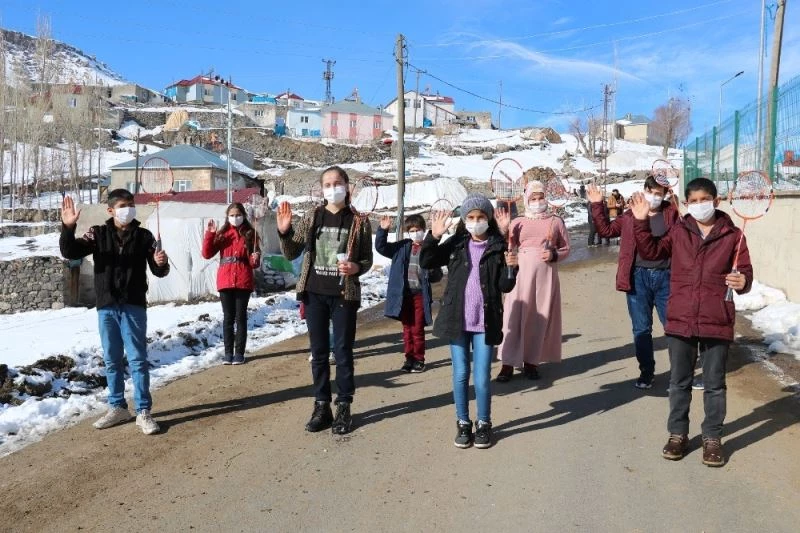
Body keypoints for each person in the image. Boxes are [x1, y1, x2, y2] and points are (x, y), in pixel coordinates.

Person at [630, 177, 752, 467]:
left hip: (716, 318)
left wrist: (742, 280)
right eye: (693, 201)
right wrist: (640, 223)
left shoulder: (734, 236)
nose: (699, 206)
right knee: (679, 382)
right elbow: (652, 252)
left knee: (714, 384)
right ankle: (677, 434)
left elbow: (744, 270)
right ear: (686, 204)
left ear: (716, 201)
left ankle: (712, 437)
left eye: (704, 200)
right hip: (681, 317)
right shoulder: (678, 231)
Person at [59, 190, 170, 435]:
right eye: (122, 205)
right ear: (110, 210)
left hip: (133, 305)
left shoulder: (144, 236)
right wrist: (68, 227)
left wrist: (162, 263)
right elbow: (70, 252)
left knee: (137, 360)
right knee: (111, 360)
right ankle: (118, 406)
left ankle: (143, 411)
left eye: (131, 205)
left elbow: (158, 269)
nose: (128, 209)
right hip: (107, 305)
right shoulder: (98, 234)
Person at [277, 166, 373, 435]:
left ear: (347, 187)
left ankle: (344, 405)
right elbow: (291, 252)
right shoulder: (312, 216)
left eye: (338, 183)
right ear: (322, 189)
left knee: (342, 352)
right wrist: (284, 232)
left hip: (344, 295)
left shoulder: (359, 221)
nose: (333, 188)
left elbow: (366, 259)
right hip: (315, 293)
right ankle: (322, 406)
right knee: (318, 354)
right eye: (328, 184)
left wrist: (355, 268)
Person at [419, 193, 517, 449]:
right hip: (457, 320)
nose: (475, 222)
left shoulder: (497, 246)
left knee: (482, 376)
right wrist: (435, 235)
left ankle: (484, 423)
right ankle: (463, 423)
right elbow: (427, 261)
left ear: (488, 219)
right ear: (464, 220)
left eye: (480, 217)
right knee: (461, 374)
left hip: (485, 321)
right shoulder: (456, 244)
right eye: (471, 217)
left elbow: (505, 286)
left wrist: (511, 266)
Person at [588, 176, 679, 389]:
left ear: (665, 195)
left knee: (673, 327)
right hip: (637, 277)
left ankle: (679, 372)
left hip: (666, 276)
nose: (655, 197)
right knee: (641, 329)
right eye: (652, 191)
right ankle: (646, 372)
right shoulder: (629, 217)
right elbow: (606, 231)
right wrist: (596, 204)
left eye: (660, 193)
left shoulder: (673, 215)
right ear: (645, 190)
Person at [497, 181, 570, 382]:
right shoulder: (517, 221)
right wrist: (505, 231)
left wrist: (554, 254)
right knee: (513, 317)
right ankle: (507, 364)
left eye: (541, 197)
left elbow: (566, 249)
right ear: (527, 200)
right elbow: (507, 248)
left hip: (545, 278)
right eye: (533, 198)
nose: (538, 202)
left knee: (539, 319)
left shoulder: (556, 222)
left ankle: (532, 362)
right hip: (519, 276)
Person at [375, 214, 442, 373]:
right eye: (411, 230)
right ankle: (409, 358)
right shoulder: (402, 247)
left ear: (423, 230)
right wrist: (382, 231)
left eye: (418, 229)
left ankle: (419, 359)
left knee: (417, 328)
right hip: (403, 296)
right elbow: (381, 247)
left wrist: (433, 269)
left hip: (420, 295)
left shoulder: (428, 248)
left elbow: (436, 275)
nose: (415, 233)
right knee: (407, 328)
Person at [201, 202, 261, 365]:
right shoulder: (222, 234)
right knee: (228, 317)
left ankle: (239, 353)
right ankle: (228, 353)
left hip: (243, 279)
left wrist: (255, 258)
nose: (235, 218)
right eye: (232, 215)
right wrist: (209, 235)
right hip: (225, 279)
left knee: (240, 317)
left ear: (243, 215)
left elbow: (254, 263)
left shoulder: (251, 234)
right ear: (228, 217)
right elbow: (206, 254)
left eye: (238, 215)